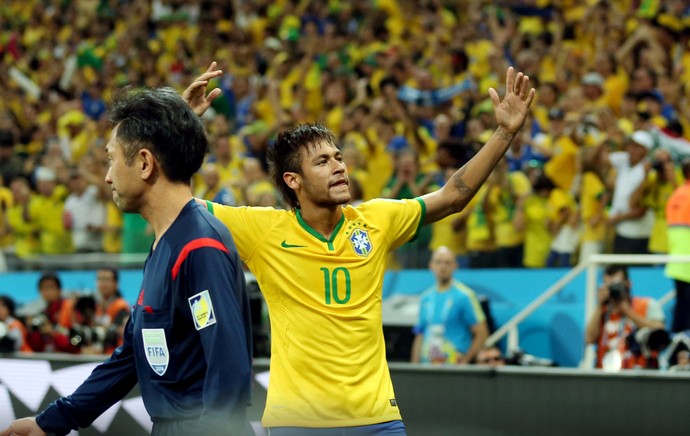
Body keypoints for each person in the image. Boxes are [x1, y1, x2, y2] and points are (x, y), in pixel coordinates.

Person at [186, 63, 534, 433]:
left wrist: (503, 133)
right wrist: (183, 129)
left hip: (377, 420)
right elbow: (182, 204)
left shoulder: (376, 219)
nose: (339, 167)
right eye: (322, 161)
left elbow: (452, 197)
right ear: (293, 181)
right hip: (297, 423)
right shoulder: (263, 230)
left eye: (339, 157)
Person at [1, 87, 254, 436]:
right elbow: (133, 353)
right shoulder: (166, 243)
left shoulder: (199, 247)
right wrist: (52, 421)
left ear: (146, 163)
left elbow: (228, 372)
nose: (107, 176)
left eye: (111, 158)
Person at [410, 246, 489, 365]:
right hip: (428, 365)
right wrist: (414, 367)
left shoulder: (465, 296)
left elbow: (482, 332)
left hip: (453, 367)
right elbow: (420, 335)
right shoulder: (425, 297)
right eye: (438, 262)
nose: (442, 267)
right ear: (431, 266)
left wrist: (466, 362)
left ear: (455, 266)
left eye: (447, 263)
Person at [585, 264, 666, 370]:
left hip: (639, 375)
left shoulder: (646, 304)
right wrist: (599, 306)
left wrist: (627, 311)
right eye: (608, 285)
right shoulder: (603, 311)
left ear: (628, 284)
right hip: (606, 375)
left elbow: (660, 332)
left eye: (616, 284)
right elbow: (589, 339)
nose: (613, 289)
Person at [665, 158, 690, 333]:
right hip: (687, 260)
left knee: (681, 308)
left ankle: (678, 348)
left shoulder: (676, 194)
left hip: (677, 260)